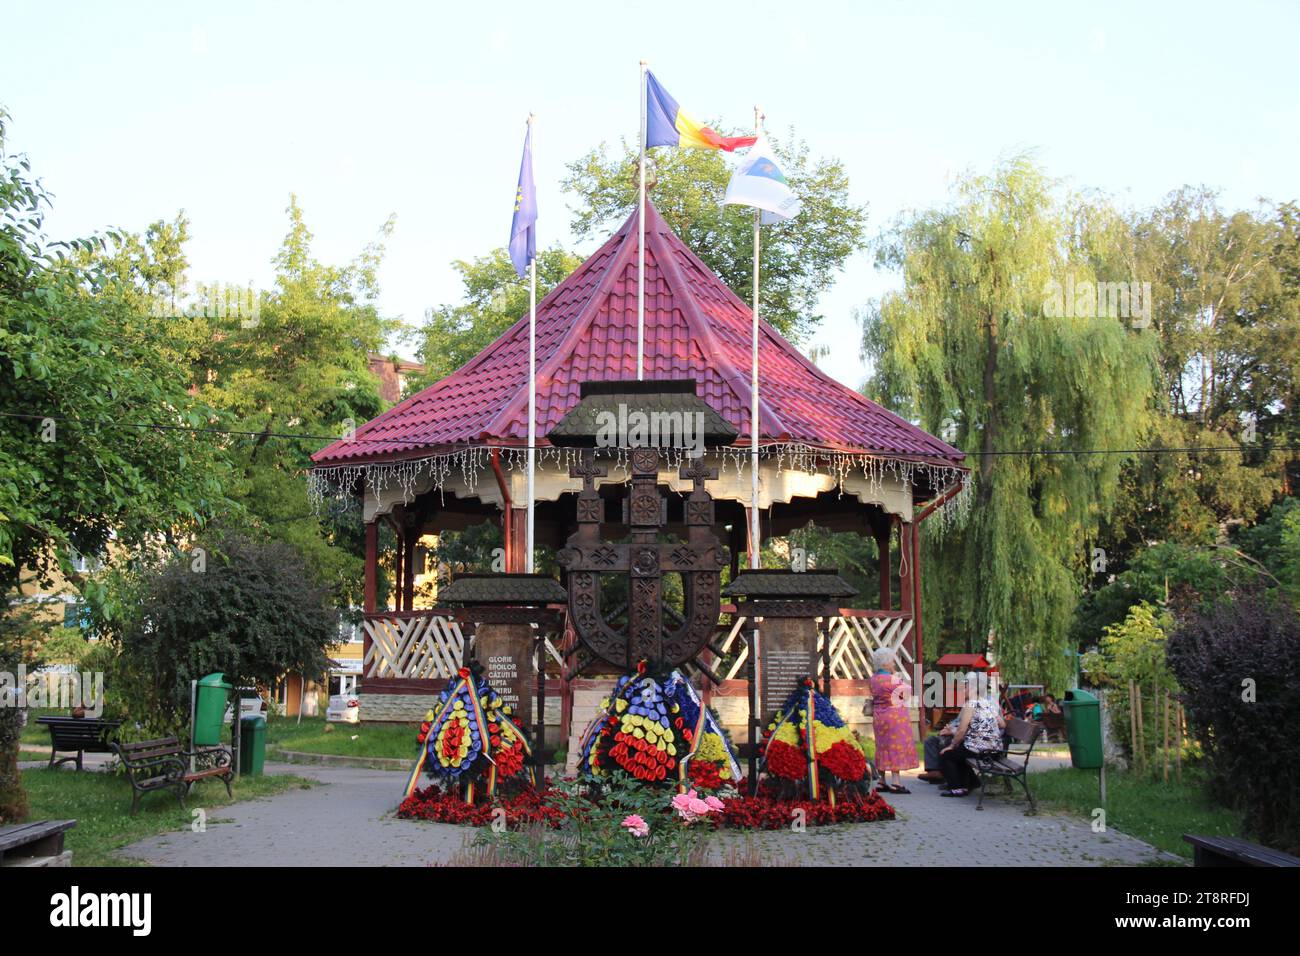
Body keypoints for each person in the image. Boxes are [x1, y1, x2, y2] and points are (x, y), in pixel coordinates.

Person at [938, 671, 1006, 797]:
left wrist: (951, 746)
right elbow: (1003, 724)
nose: (963, 690)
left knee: (947, 755)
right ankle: (972, 782)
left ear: (973, 689)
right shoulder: (988, 703)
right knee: (961, 754)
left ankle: (957, 788)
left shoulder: (970, 705)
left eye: (965, 687)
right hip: (995, 751)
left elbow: (961, 730)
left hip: (981, 750)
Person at [868, 648, 918, 793]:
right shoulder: (892, 679)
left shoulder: (873, 679)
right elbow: (907, 694)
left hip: (879, 717)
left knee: (882, 746)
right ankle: (896, 782)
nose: (893, 664)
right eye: (892, 661)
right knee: (895, 746)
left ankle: (882, 780)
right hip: (895, 719)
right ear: (885, 663)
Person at [918, 716, 959, 783]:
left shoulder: (971, 709)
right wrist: (946, 729)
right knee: (931, 740)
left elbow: (965, 728)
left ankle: (943, 774)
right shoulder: (965, 709)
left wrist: (952, 731)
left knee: (943, 743)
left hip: (962, 738)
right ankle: (934, 771)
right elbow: (956, 722)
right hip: (954, 733)